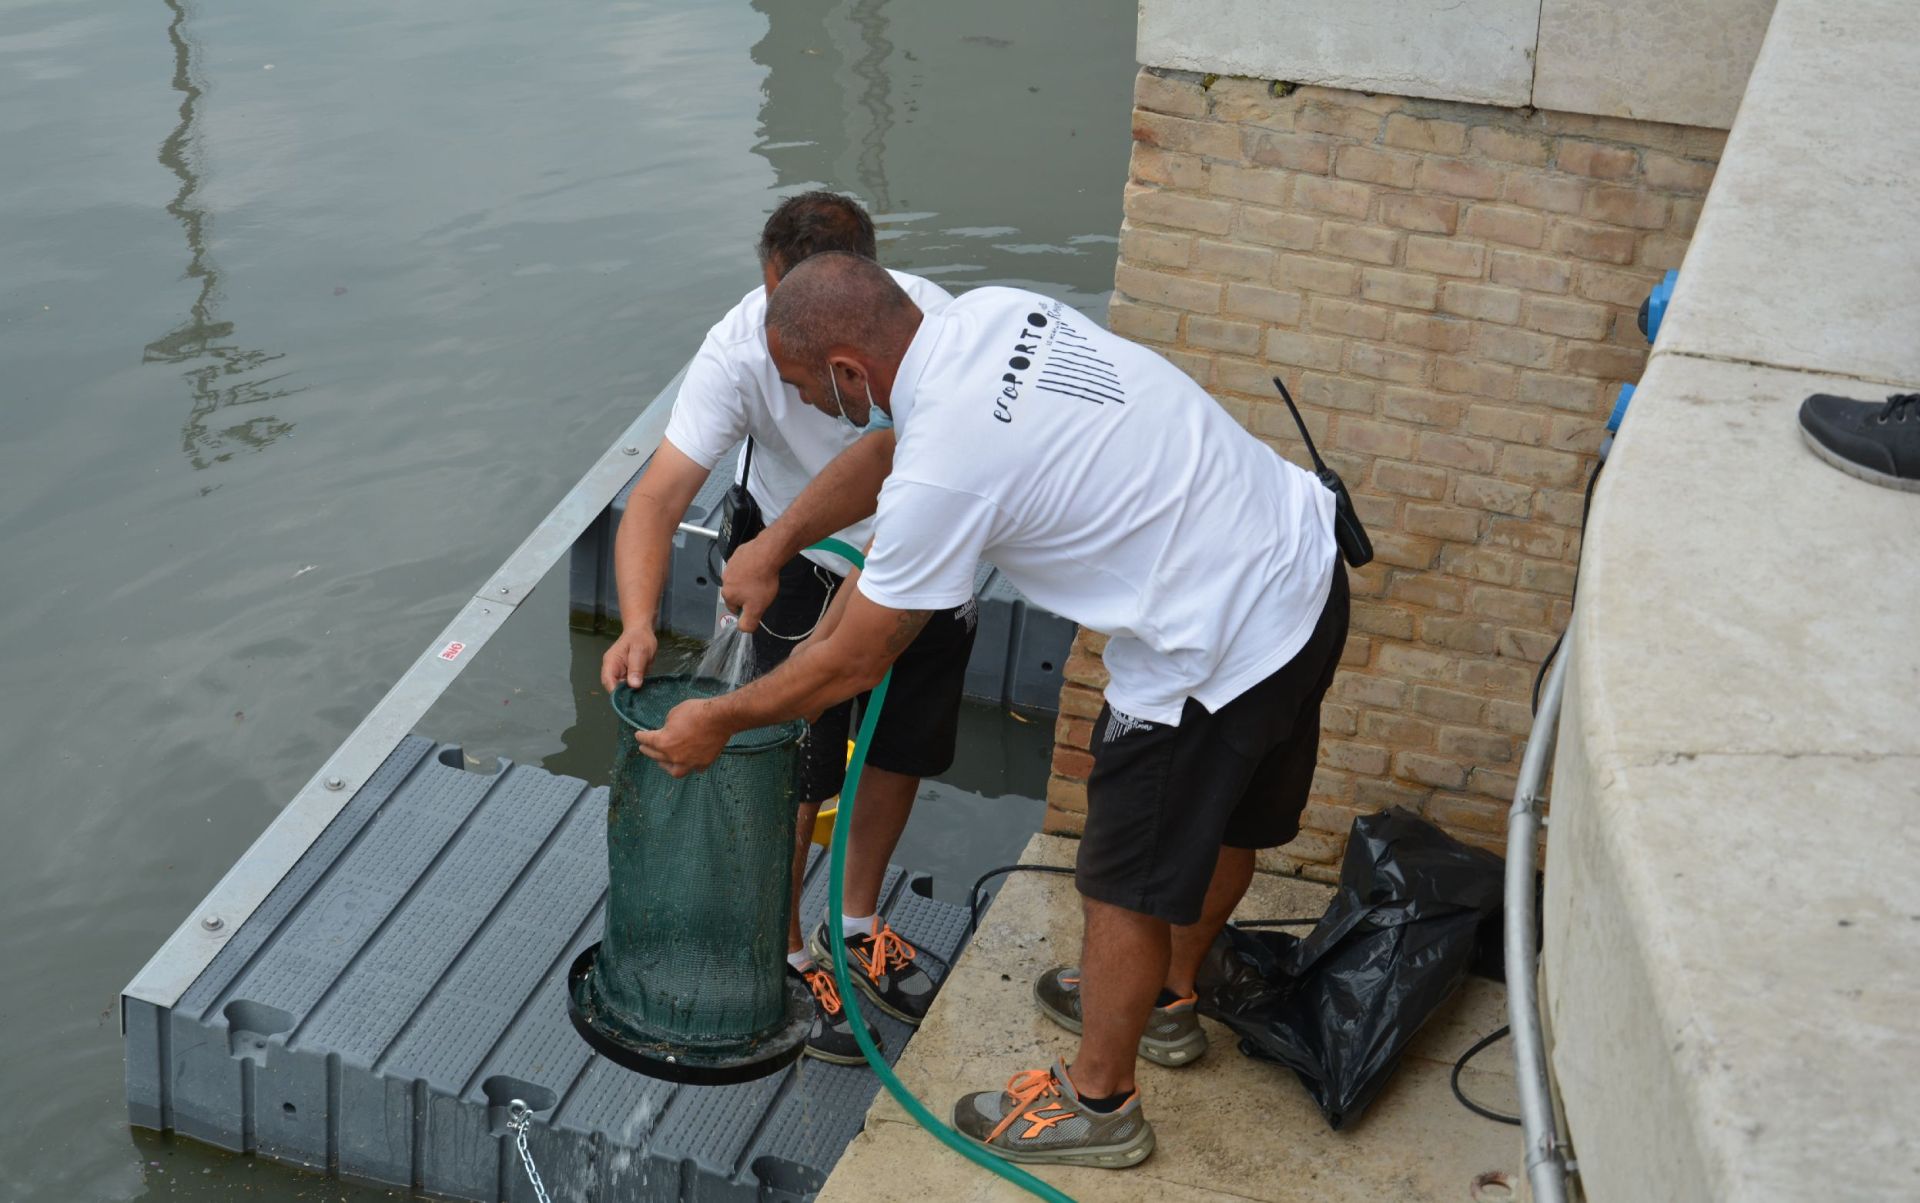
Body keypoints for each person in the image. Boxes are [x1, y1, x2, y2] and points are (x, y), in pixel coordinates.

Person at [634, 252, 1346, 1168]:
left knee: (1121, 878)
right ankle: (1168, 995)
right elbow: (891, 458)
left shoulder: (948, 467)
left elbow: (857, 656)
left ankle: (1100, 1100)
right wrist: (778, 540)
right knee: (1230, 811)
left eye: (808, 384)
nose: (807, 403)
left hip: (1208, 644)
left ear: (850, 368)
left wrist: (721, 717)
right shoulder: (991, 317)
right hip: (1301, 558)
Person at [599, 194, 976, 1065]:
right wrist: (638, 622)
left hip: (923, 546)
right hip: (788, 556)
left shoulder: (936, 334)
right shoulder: (739, 346)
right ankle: (787, 947)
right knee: (792, 755)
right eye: (774, 308)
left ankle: (856, 921)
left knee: (901, 745)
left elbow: (899, 465)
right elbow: (656, 496)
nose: (782, 340)